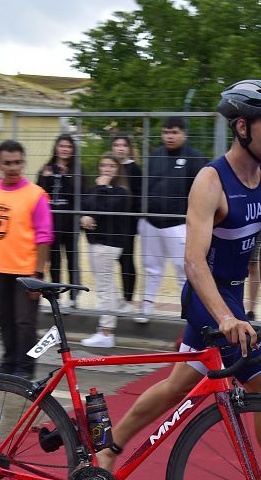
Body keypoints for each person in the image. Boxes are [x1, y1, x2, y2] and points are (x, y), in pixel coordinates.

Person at [98, 80, 261, 480]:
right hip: (206, 297)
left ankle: (110, 447)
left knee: (177, 385)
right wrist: (227, 317)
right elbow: (192, 261)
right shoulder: (210, 181)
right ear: (241, 127)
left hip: (233, 298)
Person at [0, 140, 53, 379]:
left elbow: (44, 237)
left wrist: (38, 275)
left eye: (18, 162)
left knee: (25, 322)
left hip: (28, 271)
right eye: (7, 163)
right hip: (2, 268)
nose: (13, 168)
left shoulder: (35, 195)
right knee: (5, 319)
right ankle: (9, 363)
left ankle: (25, 368)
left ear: (24, 163)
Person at [134, 116, 205, 324]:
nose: (169, 136)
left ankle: (189, 313)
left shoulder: (195, 158)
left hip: (179, 224)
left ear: (184, 133)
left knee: (184, 270)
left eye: (174, 132)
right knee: (151, 268)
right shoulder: (155, 155)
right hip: (151, 223)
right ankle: (145, 309)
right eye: (166, 132)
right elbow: (146, 186)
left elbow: (200, 193)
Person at [80, 153, 130, 348]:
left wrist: (102, 187)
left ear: (118, 170)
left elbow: (105, 207)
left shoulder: (120, 192)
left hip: (109, 243)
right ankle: (114, 309)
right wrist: (83, 217)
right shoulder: (94, 189)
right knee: (106, 283)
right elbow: (87, 205)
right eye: (103, 165)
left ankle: (106, 332)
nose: (106, 169)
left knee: (104, 287)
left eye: (111, 166)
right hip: (95, 241)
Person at [37, 134, 81, 307]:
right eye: (62, 146)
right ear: (56, 148)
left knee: (73, 259)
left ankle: (74, 296)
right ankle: (56, 297)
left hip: (70, 222)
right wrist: (46, 177)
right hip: (51, 223)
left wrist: (67, 178)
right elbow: (39, 193)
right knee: (54, 261)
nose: (65, 149)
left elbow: (79, 194)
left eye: (68, 147)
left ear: (73, 150)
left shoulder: (77, 169)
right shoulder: (47, 168)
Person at [110, 133, 141, 310]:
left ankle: (128, 299)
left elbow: (138, 197)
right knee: (111, 259)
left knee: (127, 260)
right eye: (116, 144)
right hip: (111, 223)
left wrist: (135, 218)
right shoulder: (110, 166)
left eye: (123, 145)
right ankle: (114, 299)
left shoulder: (134, 169)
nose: (120, 148)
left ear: (129, 149)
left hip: (127, 223)